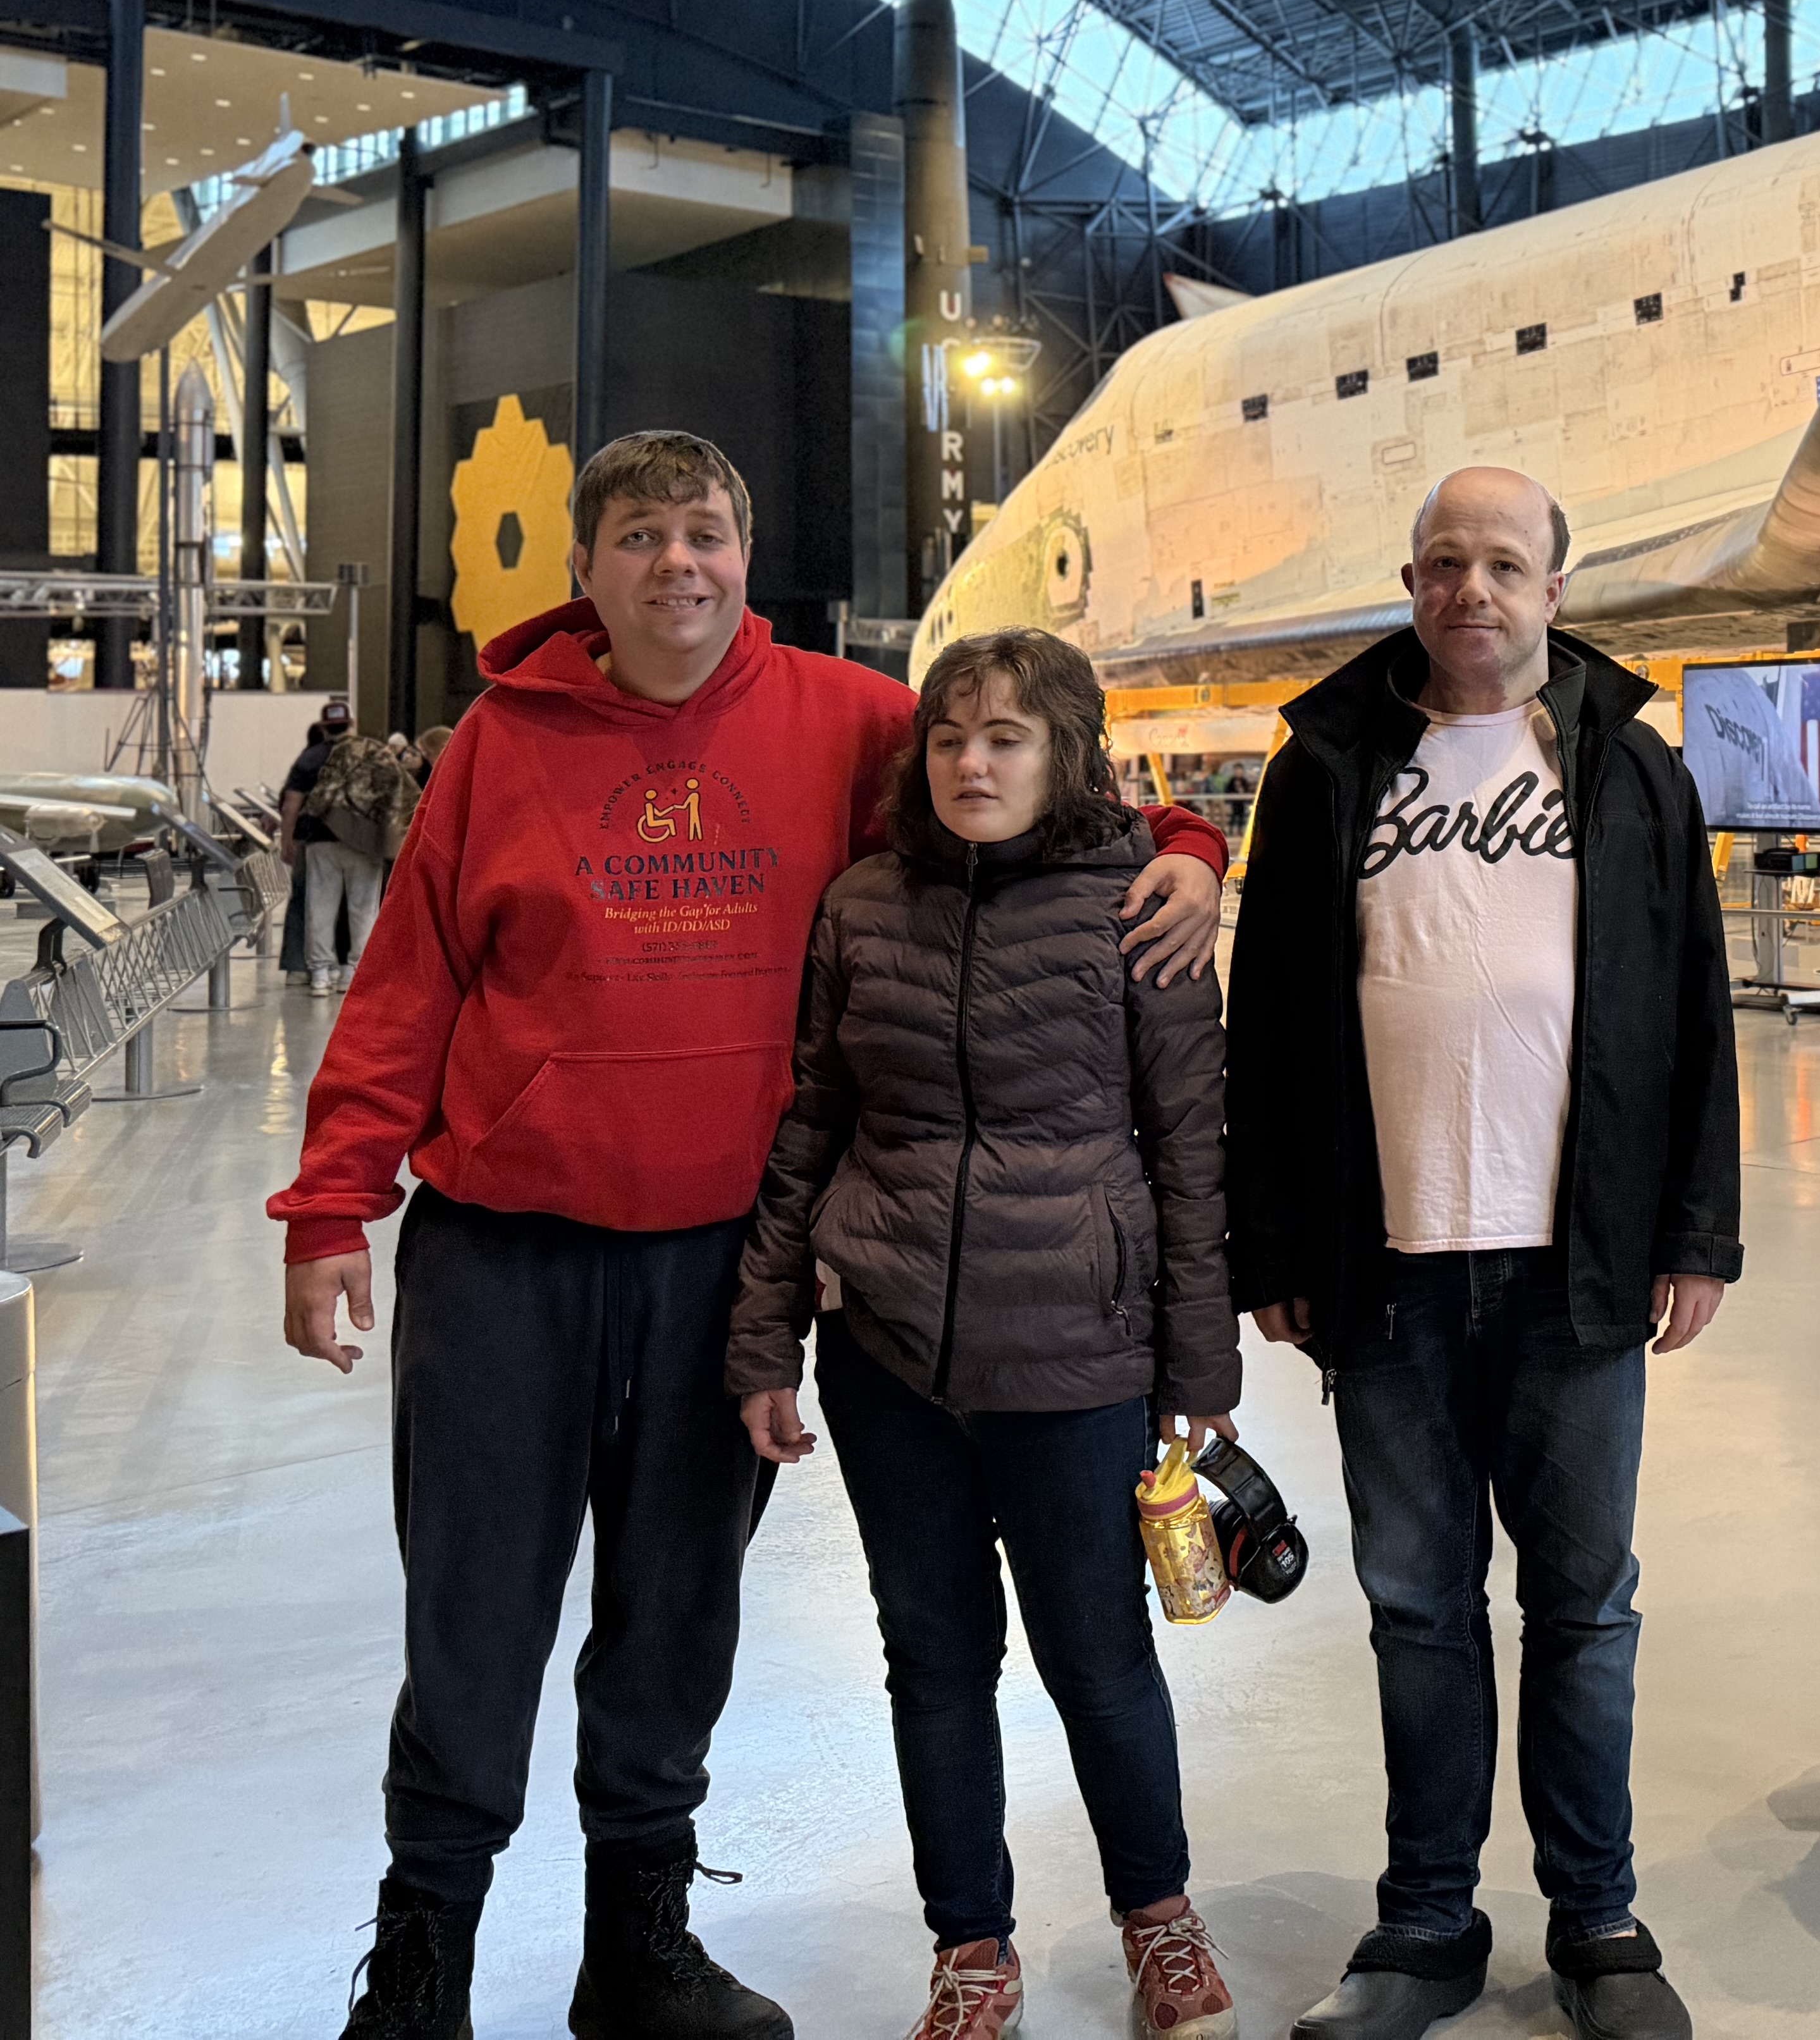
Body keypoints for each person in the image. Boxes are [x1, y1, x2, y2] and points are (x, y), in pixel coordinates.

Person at [270, 431, 1231, 2040]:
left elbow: (1040, 785)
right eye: (641, 536)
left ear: (746, 552)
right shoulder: (501, 741)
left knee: (677, 1614)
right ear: (585, 570)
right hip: (505, 1258)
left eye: (704, 532)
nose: (678, 563)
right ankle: (423, 1962)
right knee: (473, 1616)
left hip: (718, 1267)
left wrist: (1190, 850)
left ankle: (639, 1950)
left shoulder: (848, 721)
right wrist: (330, 1203)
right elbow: (408, 982)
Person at [1224, 465, 1738, 2040]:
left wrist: (1696, 1231)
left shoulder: (1629, 768)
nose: (1473, 590)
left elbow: (1694, 1004)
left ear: (1555, 592)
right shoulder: (1326, 768)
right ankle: (1427, 1923)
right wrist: (1273, 1242)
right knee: (1417, 1607)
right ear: (1411, 582)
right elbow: (1269, 1024)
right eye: (1446, 562)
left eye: (1505, 564)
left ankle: (1599, 1921)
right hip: (1386, 1267)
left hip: (1576, 1267)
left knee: (1583, 1609)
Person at [730, 627, 1242, 2040]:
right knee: (934, 1660)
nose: (971, 762)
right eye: (949, 736)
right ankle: (969, 1944)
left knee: (1099, 1657)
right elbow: (809, 1126)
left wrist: (1200, 1367)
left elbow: (1192, 1149)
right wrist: (766, 1336)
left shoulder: (1140, 910)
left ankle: (1161, 1919)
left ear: (1066, 753)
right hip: (890, 1360)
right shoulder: (862, 906)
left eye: (1006, 736)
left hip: (1076, 1357)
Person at [299, 726, 419, 995]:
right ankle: (354, 972)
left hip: (322, 839)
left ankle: (320, 974)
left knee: (320, 905)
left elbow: (314, 803)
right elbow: (410, 800)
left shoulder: (335, 766)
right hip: (366, 845)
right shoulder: (386, 769)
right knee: (364, 909)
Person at [279, 695, 350, 981]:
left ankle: (301, 967)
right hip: (356, 843)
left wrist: (288, 840)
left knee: (306, 901)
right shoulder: (363, 755)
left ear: (323, 726)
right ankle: (345, 967)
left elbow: (291, 804)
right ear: (350, 725)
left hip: (313, 840)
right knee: (351, 905)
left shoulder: (309, 758)